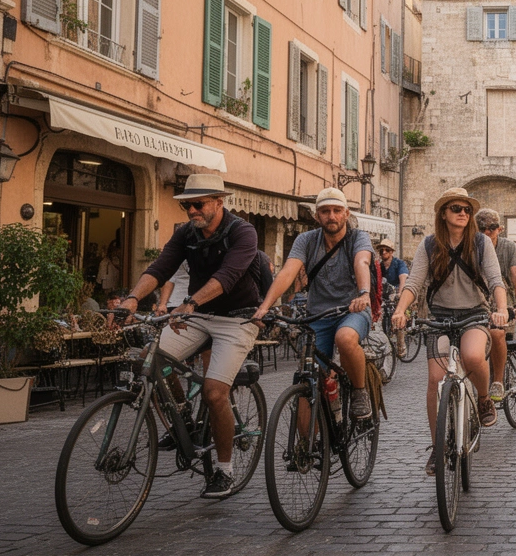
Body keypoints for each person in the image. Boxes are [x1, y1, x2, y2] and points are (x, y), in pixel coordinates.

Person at [118, 174, 263, 499]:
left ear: (218, 202)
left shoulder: (243, 231)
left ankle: (225, 471)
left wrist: (191, 301)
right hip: (198, 315)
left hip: (237, 319)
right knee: (149, 360)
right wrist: (131, 298)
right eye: (187, 205)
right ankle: (182, 416)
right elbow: (160, 268)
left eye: (198, 204)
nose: (192, 210)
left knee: (214, 393)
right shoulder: (186, 234)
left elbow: (227, 276)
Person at [392, 189, 508, 473]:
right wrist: (400, 310)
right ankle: (438, 447)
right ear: (443, 213)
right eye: (456, 208)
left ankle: (483, 400)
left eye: (467, 210)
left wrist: (502, 309)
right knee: (435, 379)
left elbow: (495, 280)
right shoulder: (429, 245)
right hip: (440, 317)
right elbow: (414, 283)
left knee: (471, 357)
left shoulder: (481, 243)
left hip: (474, 314)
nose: (463, 213)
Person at [255, 187, 376, 423]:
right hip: (317, 316)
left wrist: (363, 293)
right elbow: (288, 272)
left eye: (337, 210)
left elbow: (362, 261)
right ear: (316, 216)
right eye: (325, 211)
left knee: (345, 338)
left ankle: (360, 391)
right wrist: (266, 305)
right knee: (306, 380)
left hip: (352, 310)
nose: (331, 216)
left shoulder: (357, 238)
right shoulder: (307, 240)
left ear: (346, 213)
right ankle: (305, 452)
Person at [475, 208, 516, 402]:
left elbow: (515, 273)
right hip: (478, 296)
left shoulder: (509, 247)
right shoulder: (471, 246)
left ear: (500, 229)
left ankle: (498, 381)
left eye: (492, 228)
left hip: (504, 296)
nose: (487, 232)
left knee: (497, 333)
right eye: (482, 229)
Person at [377, 240, 410, 356]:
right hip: (384, 294)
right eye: (382, 250)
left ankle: (401, 345)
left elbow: (403, 277)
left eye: (387, 250)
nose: (384, 252)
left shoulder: (398, 263)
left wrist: (400, 293)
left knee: (398, 316)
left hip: (397, 292)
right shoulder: (379, 266)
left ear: (391, 252)